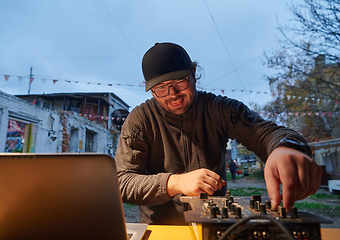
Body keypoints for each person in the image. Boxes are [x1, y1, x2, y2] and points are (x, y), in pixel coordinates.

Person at [115, 42, 322, 225]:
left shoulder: (220, 109)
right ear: (149, 89)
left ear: (194, 73)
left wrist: (285, 147)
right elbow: (122, 182)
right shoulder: (140, 119)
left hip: (215, 224)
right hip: (160, 228)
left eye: (179, 82)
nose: (173, 94)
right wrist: (175, 182)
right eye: (161, 88)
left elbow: (265, 133)